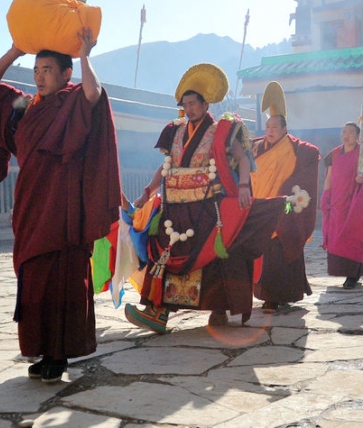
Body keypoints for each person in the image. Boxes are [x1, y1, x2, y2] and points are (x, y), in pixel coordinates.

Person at [0, 28, 121, 384]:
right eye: (36, 70)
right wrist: (15, 50)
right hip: (31, 204)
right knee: (34, 279)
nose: (39, 77)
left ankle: (59, 355)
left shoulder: (72, 101)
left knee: (62, 279)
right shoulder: (26, 107)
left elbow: (94, 93)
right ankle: (41, 349)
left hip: (64, 206)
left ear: (66, 74)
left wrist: (85, 53)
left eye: (47, 70)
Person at [125, 64, 297, 333]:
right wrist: (147, 192)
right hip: (175, 210)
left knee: (214, 260)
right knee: (166, 255)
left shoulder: (222, 130)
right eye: (185, 104)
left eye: (193, 103)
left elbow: (242, 157)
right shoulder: (175, 131)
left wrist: (243, 185)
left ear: (206, 104)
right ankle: (157, 312)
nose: (189, 108)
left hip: (208, 208)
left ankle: (218, 310)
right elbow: (166, 166)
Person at [250, 83, 320, 312]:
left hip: (284, 208)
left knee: (280, 247)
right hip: (259, 208)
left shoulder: (297, 150)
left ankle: (277, 296)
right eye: (267, 126)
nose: (270, 131)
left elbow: (307, 170)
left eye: (274, 127)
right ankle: (266, 295)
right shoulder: (256, 148)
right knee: (262, 252)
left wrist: (286, 199)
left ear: (284, 129)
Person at [321, 121, 363, 288]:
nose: (346, 135)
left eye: (351, 132)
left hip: (356, 204)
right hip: (337, 203)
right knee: (337, 239)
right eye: (344, 132)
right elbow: (329, 176)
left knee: (354, 237)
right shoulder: (334, 154)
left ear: (358, 136)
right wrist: (325, 195)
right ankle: (341, 269)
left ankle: (352, 275)